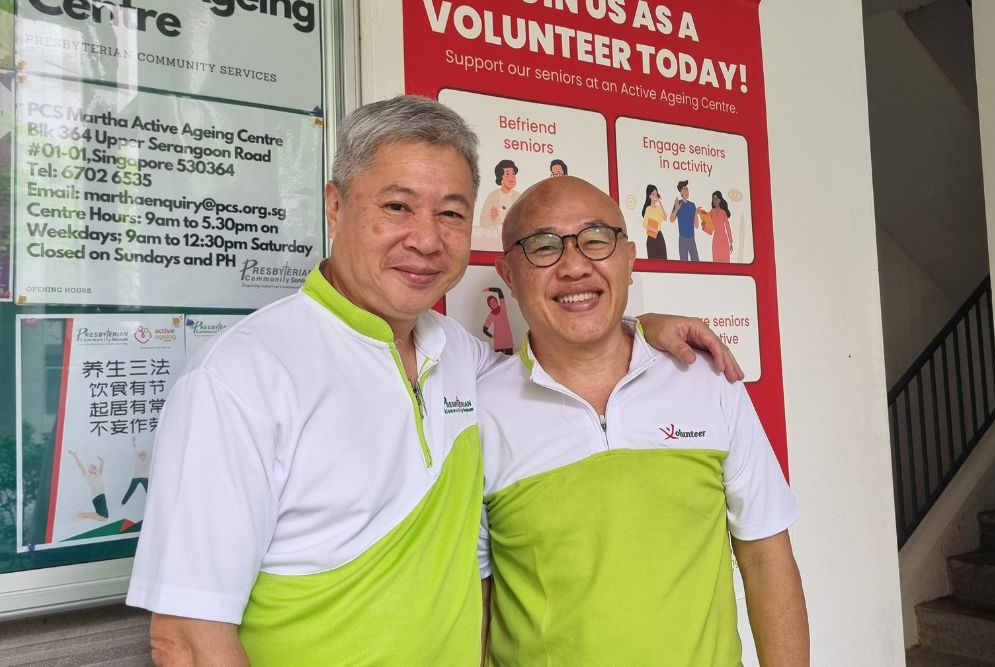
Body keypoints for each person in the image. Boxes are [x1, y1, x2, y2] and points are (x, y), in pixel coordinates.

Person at [126, 96, 741, 665]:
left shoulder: (463, 359)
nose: (425, 238)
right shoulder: (240, 376)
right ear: (335, 207)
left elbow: (570, 347)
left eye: (450, 214)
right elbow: (185, 636)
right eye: (396, 206)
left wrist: (642, 326)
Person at [479, 176, 808, 666]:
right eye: (543, 246)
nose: (574, 266)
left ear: (629, 257)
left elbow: (765, 554)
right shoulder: (478, 411)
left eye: (596, 239)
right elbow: (475, 603)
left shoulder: (706, 378)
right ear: (508, 272)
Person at [478, 159, 520, 232]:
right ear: (501, 177)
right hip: (495, 238)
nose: (512, 177)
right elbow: (482, 222)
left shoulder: (518, 196)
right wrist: (492, 218)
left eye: (513, 173)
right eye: (507, 174)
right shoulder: (492, 196)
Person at [669, 179, 705, 261]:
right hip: (682, 239)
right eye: (684, 189)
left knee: (696, 262)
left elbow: (696, 225)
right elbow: (671, 219)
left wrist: (696, 212)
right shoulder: (678, 203)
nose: (686, 190)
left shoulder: (692, 205)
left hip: (691, 239)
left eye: (687, 188)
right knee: (683, 264)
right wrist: (676, 209)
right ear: (681, 192)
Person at [67, 450, 107, 522]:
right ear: (89, 470)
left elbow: (101, 470)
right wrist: (75, 456)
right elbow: (80, 466)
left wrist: (102, 462)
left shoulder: (98, 475)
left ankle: (83, 516)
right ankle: (82, 514)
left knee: (104, 519)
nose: (95, 468)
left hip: (102, 496)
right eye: (93, 467)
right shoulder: (88, 475)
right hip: (97, 497)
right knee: (101, 516)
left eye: (95, 467)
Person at [482, 286, 514, 355]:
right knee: (499, 362)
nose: (493, 303)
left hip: (508, 339)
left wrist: (488, 289)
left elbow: (499, 290)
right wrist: (491, 336)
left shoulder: (503, 307)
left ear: (496, 301)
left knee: (510, 360)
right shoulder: (490, 316)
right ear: (489, 305)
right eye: (491, 303)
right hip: (498, 342)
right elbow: (484, 329)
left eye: (494, 301)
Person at [641, 183, 668, 260]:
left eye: (656, 193)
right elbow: (644, 224)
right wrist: (654, 230)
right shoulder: (648, 209)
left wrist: (659, 201)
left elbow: (665, 217)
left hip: (659, 236)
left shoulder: (659, 208)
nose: (655, 195)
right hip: (652, 236)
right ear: (649, 196)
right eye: (653, 194)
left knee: (663, 259)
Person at [121, 436, 150, 505]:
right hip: (136, 477)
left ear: (146, 456)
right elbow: (134, 449)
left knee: (149, 491)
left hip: (145, 478)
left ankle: (152, 504)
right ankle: (123, 503)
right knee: (130, 490)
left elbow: (154, 453)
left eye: (144, 455)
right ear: (139, 455)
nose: (142, 456)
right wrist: (133, 441)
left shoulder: (148, 459)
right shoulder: (137, 458)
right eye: (141, 455)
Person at [708, 189, 735, 263]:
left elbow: (728, 227)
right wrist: (704, 226)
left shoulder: (723, 212)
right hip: (716, 240)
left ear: (720, 200)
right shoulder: (711, 212)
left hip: (724, 240)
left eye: (716, 199)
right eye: (713, 199)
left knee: (725, 261)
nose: (715, 200)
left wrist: (731, 242)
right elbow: (709, 230)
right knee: (716, 261)